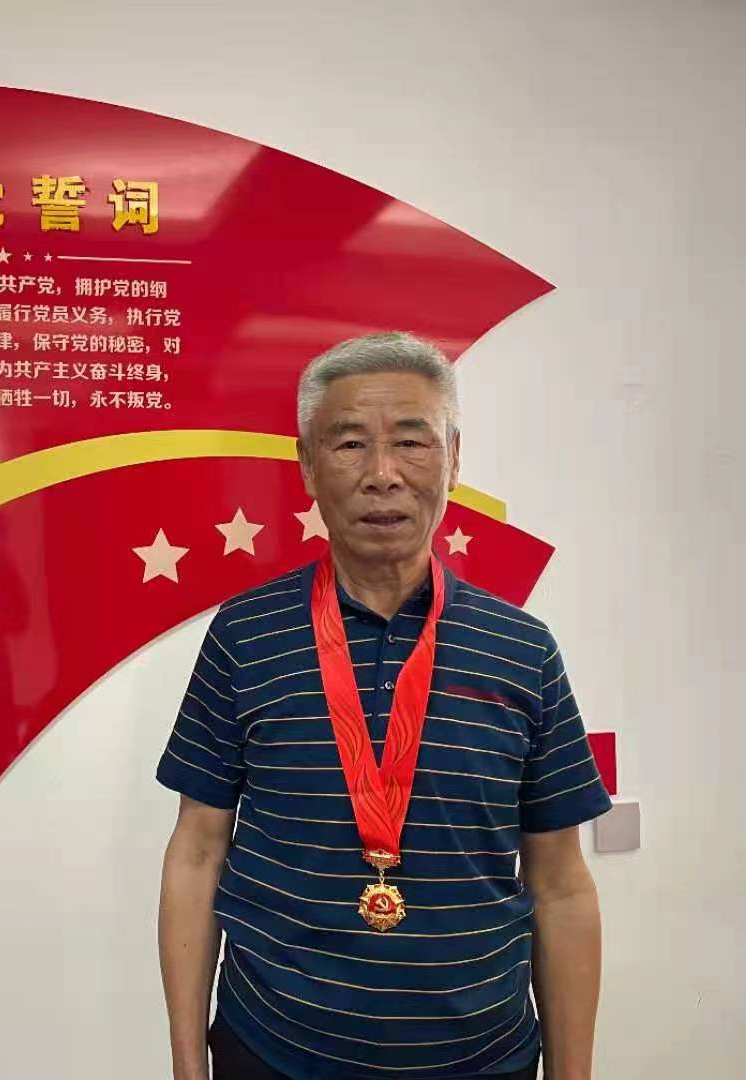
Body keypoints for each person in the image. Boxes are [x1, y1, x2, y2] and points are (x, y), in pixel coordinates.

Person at [156, 332, 610, 1080]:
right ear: (307, 465)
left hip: (483, 1058)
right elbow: (198, 850)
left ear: (453, 459)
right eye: (349, 445)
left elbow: (560, 883)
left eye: (411, 441)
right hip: (272, 1053)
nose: (382, 474)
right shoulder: (244, 635)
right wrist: (186, 1064)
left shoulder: (522, 648)